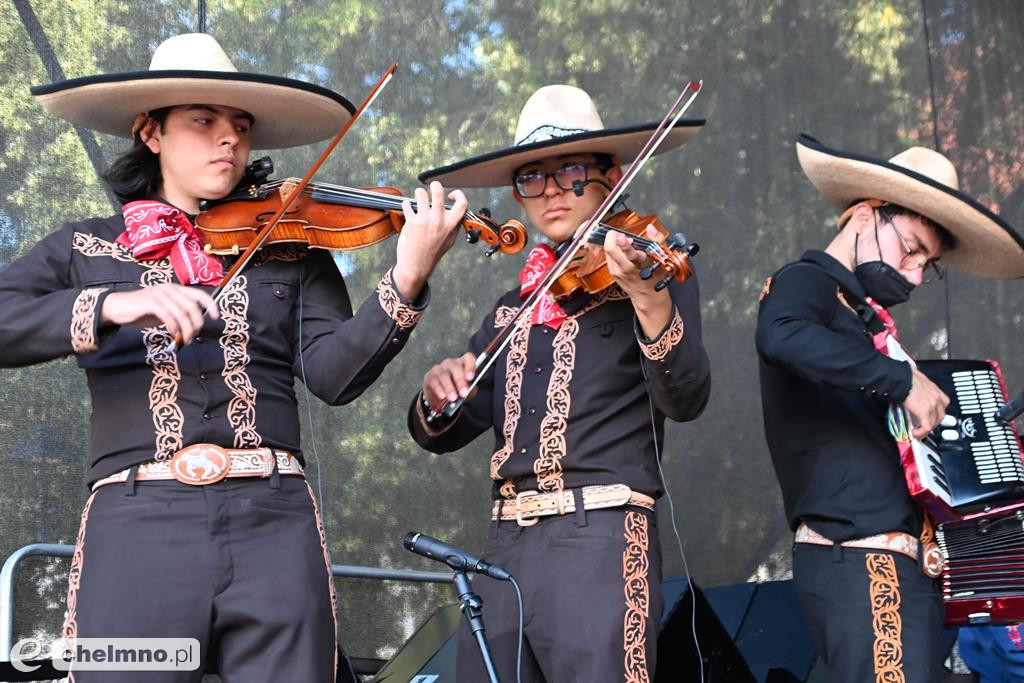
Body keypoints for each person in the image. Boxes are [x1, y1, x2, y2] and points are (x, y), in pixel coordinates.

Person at [0, 33, 468, 681]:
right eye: (204, 120)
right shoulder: (86, 247)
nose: (230, 138)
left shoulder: (291, 246)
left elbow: (334, 375)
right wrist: (111, 304)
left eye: (241, 125)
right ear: (150, 133)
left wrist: (408, 278)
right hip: (136, 528)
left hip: (274, 523)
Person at [407, 84, 711, 682]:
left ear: (612, 174)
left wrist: (647, 298)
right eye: (531, 177)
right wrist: (436, 391)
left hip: (599, 538)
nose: (548, 191)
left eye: (570, 170)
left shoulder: (649, 272)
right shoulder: (511, 306)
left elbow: (687, 396)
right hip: (506, 549)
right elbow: (442, 431)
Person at [756, 133, 1024, 682]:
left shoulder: (865, 325)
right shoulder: (805, 281)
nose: (916, 275)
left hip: (909, 568)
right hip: (859, 560)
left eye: (928, 263)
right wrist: (903, 381)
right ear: (861, 217)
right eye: (910, 249)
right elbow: (781, 335)